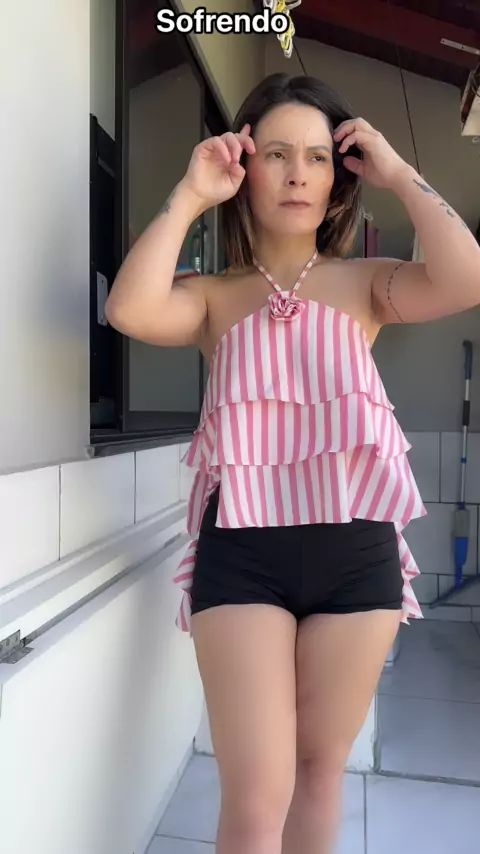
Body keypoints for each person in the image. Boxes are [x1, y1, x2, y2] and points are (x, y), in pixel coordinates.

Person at [106, 73, 480, 854]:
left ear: (339, 177)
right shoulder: (213, 297)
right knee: (256, 795)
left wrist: (399, 172)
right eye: (277, 153)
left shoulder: (367, 285)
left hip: (358, 556)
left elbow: (466, 278)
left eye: (317, 156)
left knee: (319, 775)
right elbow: (129, 309)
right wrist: (189, 194)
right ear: (246, 169)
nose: (299, 173)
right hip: (242, 555)